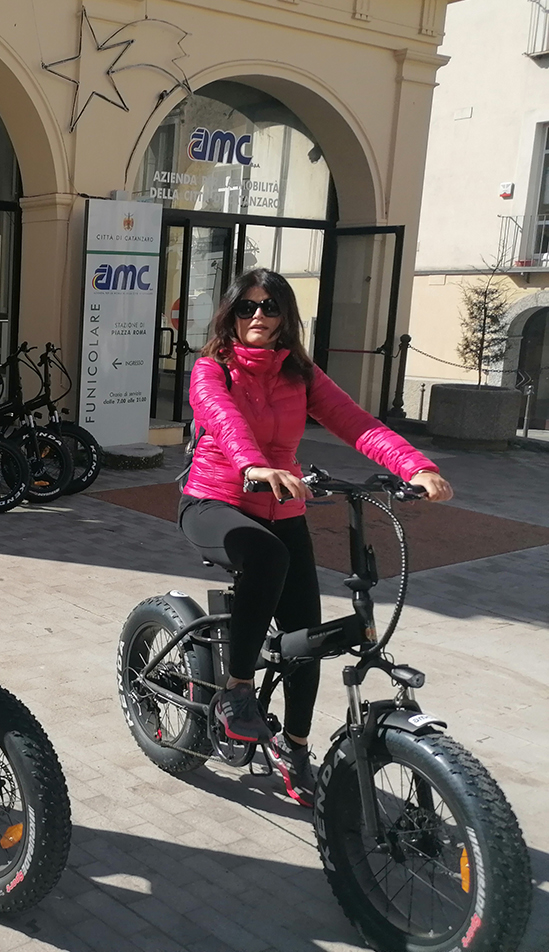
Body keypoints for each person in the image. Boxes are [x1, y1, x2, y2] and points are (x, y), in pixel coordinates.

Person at [179, 268, 452, 806]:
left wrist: (415, 467)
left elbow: (359, 425)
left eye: (271, 307)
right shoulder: (213, 369)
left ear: (287, 318)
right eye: (247, 307)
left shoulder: (300, 375)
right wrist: (254, 467)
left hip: (282, 506)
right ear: (230, 315)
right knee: (265, 553)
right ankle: (236, 690)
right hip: (214, 501)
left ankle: (296, 748)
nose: (258, 316)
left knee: (307, 638)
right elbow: (224, 420)